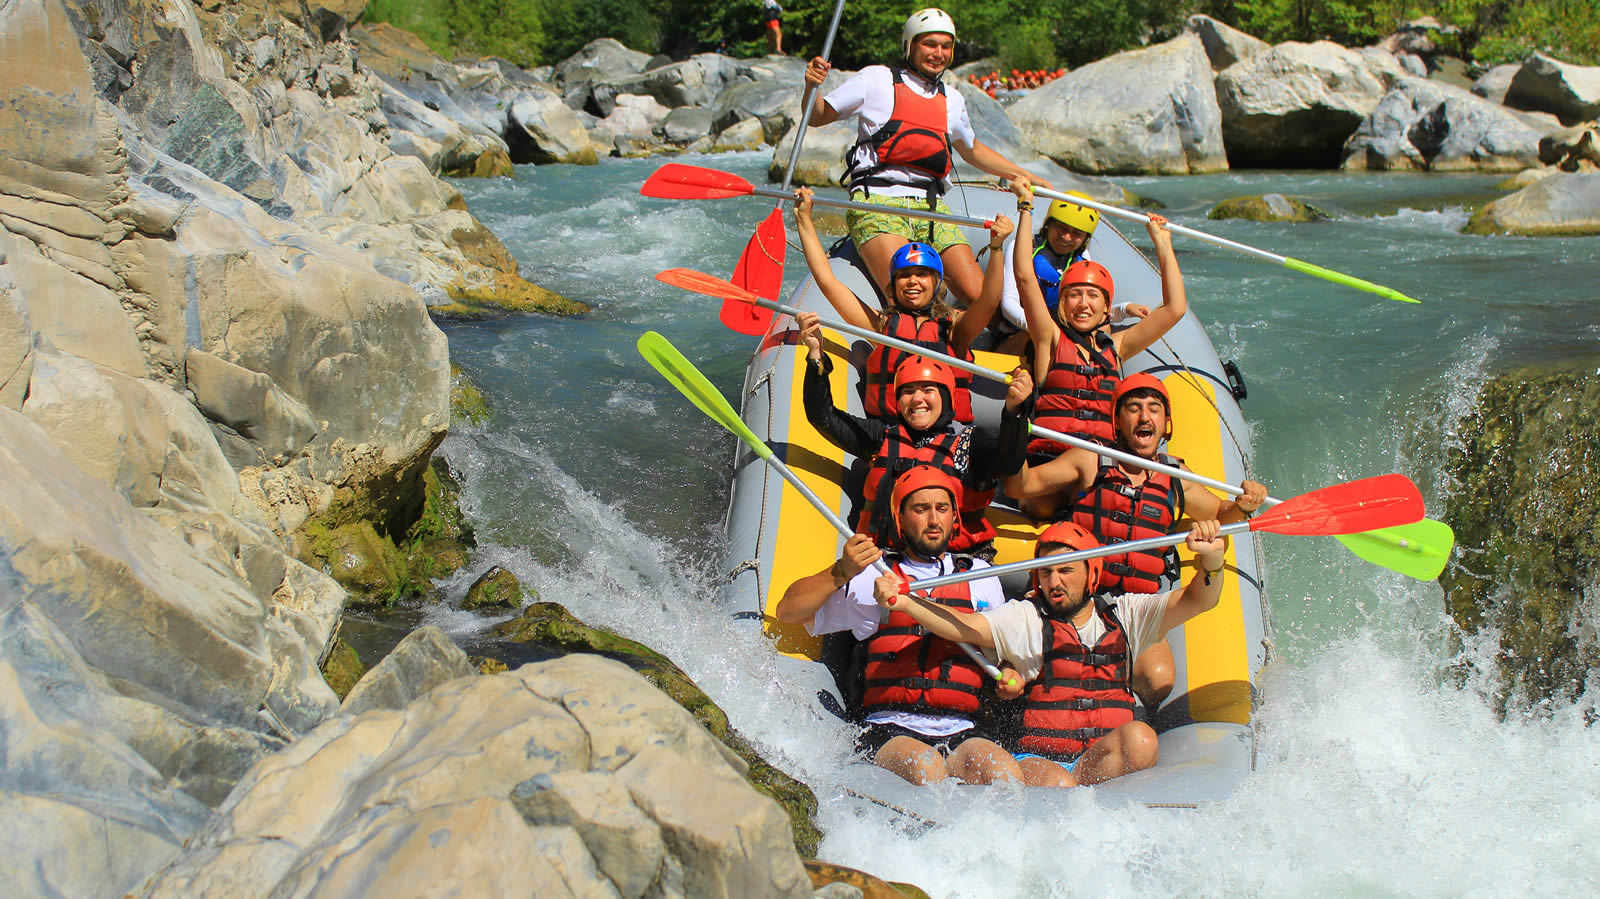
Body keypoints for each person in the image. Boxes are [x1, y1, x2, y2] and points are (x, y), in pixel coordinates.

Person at [873, 519, 1231, 787]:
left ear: (1091, 573)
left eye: (1065, 571)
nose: (1053, 582)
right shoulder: (1025, 618)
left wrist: (1212, 561)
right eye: (1045, 573)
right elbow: (964, 627)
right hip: (1038, 761)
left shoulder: (1127, 614)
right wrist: (907, 602)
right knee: (1060, 784)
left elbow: (1199, 599)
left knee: (1141, 739)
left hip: (1098, 763)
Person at [1005, 372, 1267, 706]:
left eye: (1154, 409)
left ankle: (1117, 699)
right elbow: (1020, 486)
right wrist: (1013, 420)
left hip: (1133, 605)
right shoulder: (1090, 459)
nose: (1145, 417)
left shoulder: (1176, 477)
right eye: (1134, 408)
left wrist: (1244, 504)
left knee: (1158, 679)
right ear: (1117, 422)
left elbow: (1220, 512)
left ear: (1166, 423)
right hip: (1078, 594)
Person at [774, 465, 1024, 786]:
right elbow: (788, 611)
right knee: (927, 768)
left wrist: (1010, 673)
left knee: (1005, 774)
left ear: (954, 517)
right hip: (887, 727)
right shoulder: (871, 574)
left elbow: (1001, 652)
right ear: (900, 518)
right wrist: (842, 570)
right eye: (921, 509)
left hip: (961, 728)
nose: (933, 520)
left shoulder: (981, 576)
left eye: (942, 508)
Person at [800, 8, 1050, 305]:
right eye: (930, 44)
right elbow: (817, 116)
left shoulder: (952, 99)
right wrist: (811, 86)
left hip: (931, 207)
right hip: (877, 202)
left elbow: (972, 150)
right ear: (910, 45)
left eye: (946, 46)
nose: (939, 53)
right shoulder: (875, 79)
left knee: (981, 298)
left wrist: (1025, 175)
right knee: (906, 298)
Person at [799, 308, 1031, 556]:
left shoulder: (970, 442)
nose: (917, 399)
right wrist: (816, 356)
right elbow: (823, 417)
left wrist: (1013, 411)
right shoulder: (882, 436)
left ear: (945, 397)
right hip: (886, 560)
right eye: (908, 391)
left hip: (958, 562)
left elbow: (1009, 462)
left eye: (928, 390)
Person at [794, 186, 1012, 424]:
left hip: (946, 437)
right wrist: (804, 218)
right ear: (894, 284)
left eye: (922, 274)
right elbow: (827, 282)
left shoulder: (954, 328)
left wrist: (996, 248)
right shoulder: (882, 325)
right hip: (893, 434)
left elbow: (988, 301)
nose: (912, 281)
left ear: (936, 282)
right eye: (904, 275)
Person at [1012, 181, 1186, 463]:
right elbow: (1024, 276)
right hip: (1049, 463)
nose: (1083, 304)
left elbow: (1175, 309)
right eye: (1074, 295)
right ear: (1062, 303)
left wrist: (1163, 243)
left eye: (1092, 296)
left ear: (1106, 308)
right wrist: (1025, 208)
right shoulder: (1048, 338)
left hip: (1101, 472)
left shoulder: (1117, 347)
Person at [987, 191, 1150, 354]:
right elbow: (1009, 304)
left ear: (1085, 238)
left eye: (1076, 233)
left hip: (1061, 336)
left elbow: (1087, 311)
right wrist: (1043, 329)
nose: (1066, 237)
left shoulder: (1082, 258)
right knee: (1029, 339)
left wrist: (1124, 309)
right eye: (1061, 228)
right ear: (1048, 225)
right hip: (1020, 334)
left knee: (1101, 331)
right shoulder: (1022, 248)